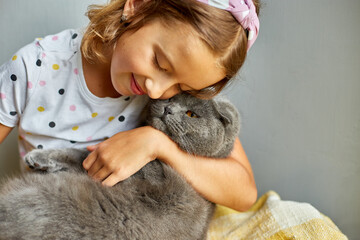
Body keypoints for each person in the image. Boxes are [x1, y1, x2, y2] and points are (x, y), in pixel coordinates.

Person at [0, 0, 259, 212]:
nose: (157, 91)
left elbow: (244, 193)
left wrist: (157, 146)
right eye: (159, 63)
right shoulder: (33, 69)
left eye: (182, 88)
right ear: (137, 6)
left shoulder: (176, 99)